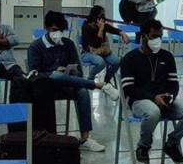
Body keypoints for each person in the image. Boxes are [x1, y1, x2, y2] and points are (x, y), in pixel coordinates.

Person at [28, 11, 119, 152]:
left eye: (60, 30)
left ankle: (85, 138)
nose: (57, 33)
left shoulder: (68, 44)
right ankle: (99, 85)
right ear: (46, 28)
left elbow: (79, 72)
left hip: (67, 85)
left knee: (82, 92)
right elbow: (34, 74)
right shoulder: (36, 47)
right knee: (55, 76)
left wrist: (72, 71)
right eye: (54, 30)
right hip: (45, 88)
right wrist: (54, 72)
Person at [120, 19, 183, 164]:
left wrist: (170, 96)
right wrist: (152, 97)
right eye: (154, 36)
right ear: (143, 36)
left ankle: (171, 143)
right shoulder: (130, 58)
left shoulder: (166, 57)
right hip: (139, 101)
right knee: (153, 111)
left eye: (160, 36)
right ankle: (143, 146)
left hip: (164, 100)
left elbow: (174, 84)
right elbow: (128, 88)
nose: (158, 40)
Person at [80, 5, 130, 83]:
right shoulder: (86, 27)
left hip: (101, 52)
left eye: (104, 15)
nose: (103, 17)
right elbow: (94, 44)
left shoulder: (103, 25)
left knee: (116, 62)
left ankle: (106, 80)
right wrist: (100, 30)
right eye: (101, 15)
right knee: (101, 63)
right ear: (94, 16)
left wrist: (123, 34)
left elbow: (114, 30)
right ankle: (90, 80)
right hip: (87, 53)